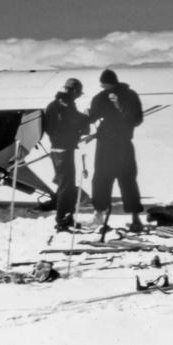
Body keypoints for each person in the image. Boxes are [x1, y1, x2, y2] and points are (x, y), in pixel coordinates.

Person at [88, 69, 145, 232]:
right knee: (128, 181)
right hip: (125, 145)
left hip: (106, 146)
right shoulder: (132, 95)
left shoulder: (99, 98)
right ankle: (135, 218)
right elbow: (137, 119)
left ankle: (99, 216)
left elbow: (91, 118)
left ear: (104, 83)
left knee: (101, 180)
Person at [43, 78, 90, 232]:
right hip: (63, 150)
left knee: (67, 185)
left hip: (57, 149)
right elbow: (74, 120)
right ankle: (62, 219)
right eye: (78, 94)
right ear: (75, 91)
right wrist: (87, 117)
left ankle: (67, 218)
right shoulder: (66, 105)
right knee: (66, 186)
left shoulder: (56, 104)